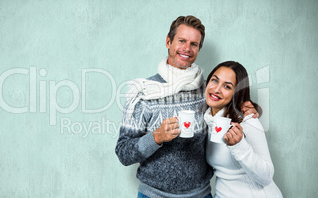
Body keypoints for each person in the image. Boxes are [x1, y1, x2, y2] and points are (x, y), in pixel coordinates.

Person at [115, 16, 257, 198]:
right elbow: (123, 153)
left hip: (201, 194)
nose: (187, 49)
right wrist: (156, 137)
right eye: (181, 41)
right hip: (152, 195)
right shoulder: (143, 93)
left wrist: (249, 110)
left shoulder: (209, 91)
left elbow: (234, 108)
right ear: (168, 41)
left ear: (198, 49)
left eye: (194, 44)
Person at [204, 61, 283, 198]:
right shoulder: (207, 119)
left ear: (236, 93)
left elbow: (266, 176)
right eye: (214, 80)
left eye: (227, 87)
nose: (216, 89)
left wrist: (239, 146)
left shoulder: (247, 121)